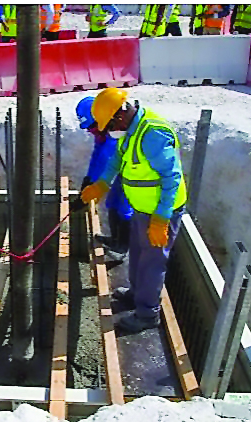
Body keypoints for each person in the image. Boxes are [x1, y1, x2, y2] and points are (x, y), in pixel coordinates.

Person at [81, 88, 187, 334]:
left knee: (152, 262)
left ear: (119, 116)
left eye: (108, 126)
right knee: (138, 253)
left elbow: (172, 179)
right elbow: (117, 160)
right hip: (142, 208)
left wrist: (161, 219)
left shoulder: (152, 135)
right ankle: (135, 294)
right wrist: (102, 184)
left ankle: (148, 313)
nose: (108, 132)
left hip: (161, 213)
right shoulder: (131, 130)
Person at [73, 96, 132, 259]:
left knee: (125, 208)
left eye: (91, 126)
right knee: (112, 202)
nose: (90, 131)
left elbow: (106, 159)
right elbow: (97, 156)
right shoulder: (103, 134)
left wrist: (93, 184)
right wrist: (88, 179)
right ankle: (115, 240)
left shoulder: (115, 133)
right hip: (121, 171)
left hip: (134, 174)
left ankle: (123, 249)